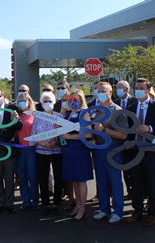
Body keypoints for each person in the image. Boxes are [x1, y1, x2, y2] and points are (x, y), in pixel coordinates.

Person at [124, 78, 155, 227]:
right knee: (136, 183)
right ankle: (137, 211)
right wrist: (129, 142)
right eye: (136, 87)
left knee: (152, 182)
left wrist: (150, 128)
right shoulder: (131, 107)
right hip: (135, 152)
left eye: (141, 88)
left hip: (151, 152)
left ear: (148, 89)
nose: (138, 90)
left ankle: (152, 213)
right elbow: (128, 130)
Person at [91, 82, 128, 224]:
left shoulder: (117, 111)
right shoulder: (95, 110)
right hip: (98, 150)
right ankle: (103, 209)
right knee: (100, 181)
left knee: (115, 181)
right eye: (98, 90)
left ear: (110, 93)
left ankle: (118, 211)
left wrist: (105, 130)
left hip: (113, 150)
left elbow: (124, 135)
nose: (99, 93)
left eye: (103, 91)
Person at [61, 90, 93, 221]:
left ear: (81, 101)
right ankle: (77, 205)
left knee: (81, 180)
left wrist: (71, 137)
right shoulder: (67, 114)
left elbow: (89, 134)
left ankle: (83, 209)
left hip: (80, 150)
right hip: (68, 150)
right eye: (71, 99)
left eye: (76, 99)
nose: (73, 102)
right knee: (74, 180)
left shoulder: (84, 113)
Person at [31, 91, 64, 216]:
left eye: (50, 101)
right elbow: (34, 135)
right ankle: (45, 203)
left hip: (57, 151)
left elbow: (63, 134)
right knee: (43, 178)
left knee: (58, 178)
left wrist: (55, 143)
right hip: (41, 151)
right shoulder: (38, 117)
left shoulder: (59, 116)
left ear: (54, 102)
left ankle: (57, 203)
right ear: (41, 103)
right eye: (45, 101)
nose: (48, 103)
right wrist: (43, 144)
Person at [113, 80, 137, 200]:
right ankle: (129, 192)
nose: (117, 90)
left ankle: (137, 193)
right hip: (118, 140)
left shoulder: (135, 101)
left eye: (120, 88)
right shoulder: (115, 103)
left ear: (127, 89)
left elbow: (136, 123)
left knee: (133, 169)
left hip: (132, 141)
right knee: (123, 169)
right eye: (116, 88)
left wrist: (131, 139)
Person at [15, 92, 39, 211]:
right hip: (19, 150)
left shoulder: (35, 115)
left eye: (24, 100)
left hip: (32, 150)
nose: (22, 102)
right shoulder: (16, 115)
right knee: (22, 177)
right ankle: (26, 201)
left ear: (29, 102)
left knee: (32, 176)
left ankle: (35, 201)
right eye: (19, 100)